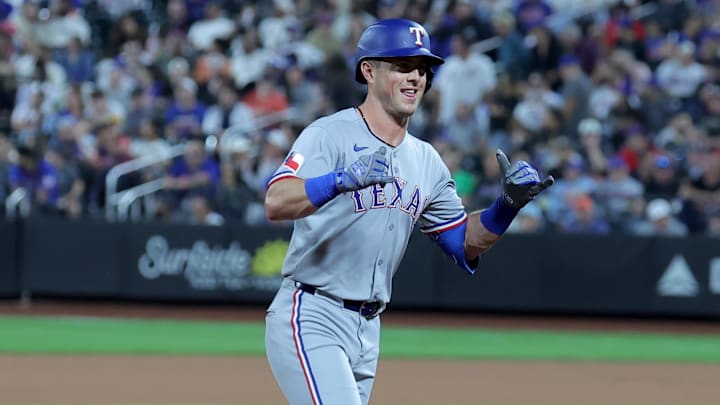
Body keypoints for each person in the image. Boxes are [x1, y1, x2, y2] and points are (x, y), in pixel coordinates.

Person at [263, 18, 554, 405]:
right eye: (402, 65)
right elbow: (277, 201)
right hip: (313, 312)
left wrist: (508, 205)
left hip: (368, 329)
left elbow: (465, 243)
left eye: (421, 68)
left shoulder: (427, 161)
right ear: (368, 71)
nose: (415, 76)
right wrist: (338, 179)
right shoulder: (330, 133)